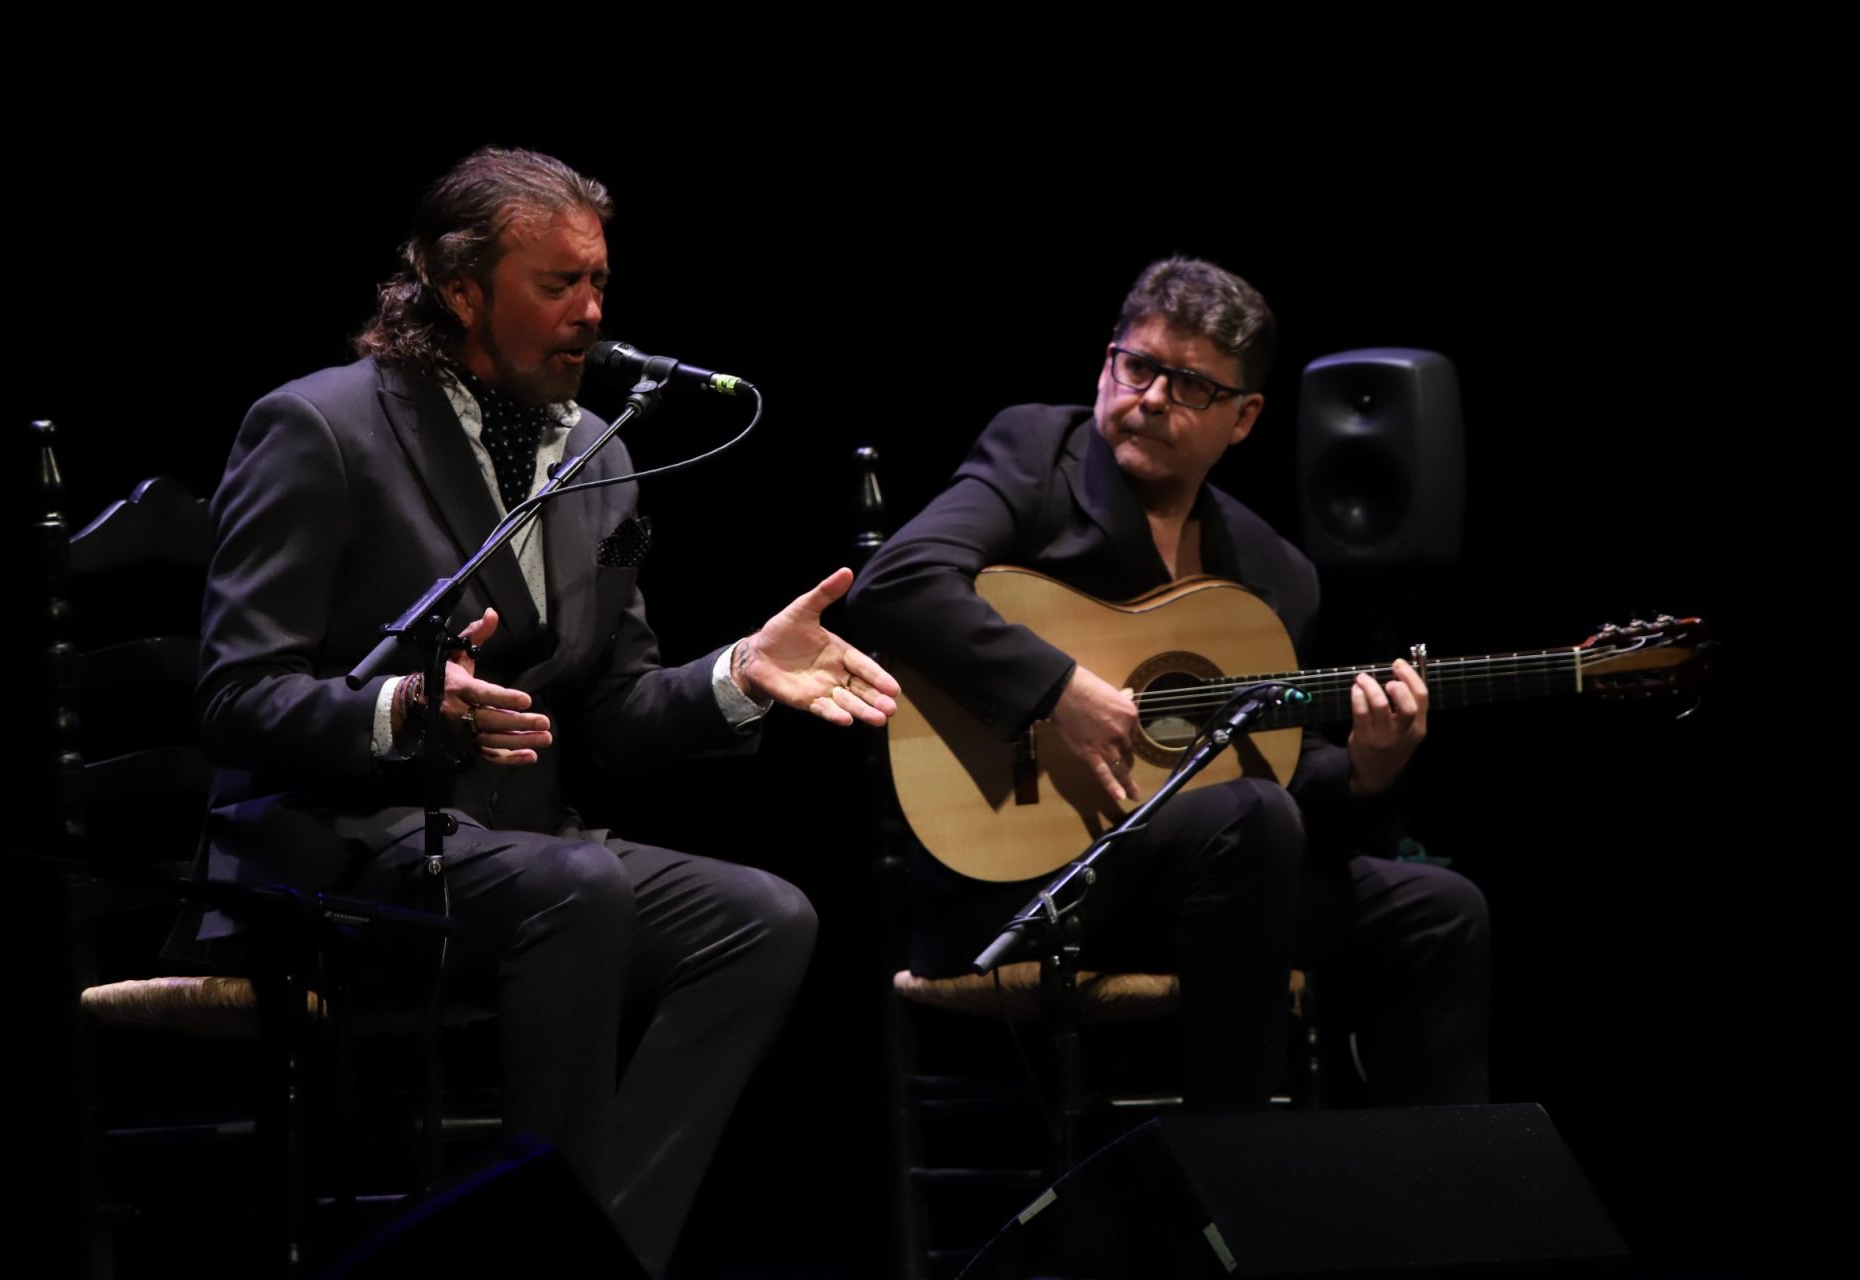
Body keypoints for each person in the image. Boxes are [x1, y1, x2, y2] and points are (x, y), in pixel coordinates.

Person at [188, 146, 898, 1276]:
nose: (593, 312)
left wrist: (740, 673)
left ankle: (594, 1252)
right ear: (461, 290)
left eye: (599, 282)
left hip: (519, 853)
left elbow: (610, 718)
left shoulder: (597, 457)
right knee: (577, 885)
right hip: (337, 854)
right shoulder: (320, 427)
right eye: (558, 285)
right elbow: (234, 696)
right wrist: (404, 709)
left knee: (763, 916)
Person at [849, 257, 1487, 1108]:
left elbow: (1281, 774)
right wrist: (1057, 689)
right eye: (1137, 365)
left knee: (1441, 906)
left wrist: (1368, 771)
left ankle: (1432, 1214)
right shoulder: (1040, 453)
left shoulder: (1276, 575)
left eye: (1189, 385)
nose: (1150, 397)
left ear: (1244, 417)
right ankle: (1235, 1185)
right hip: (1025, 886)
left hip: (1206, 892)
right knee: (1251, 822)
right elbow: (897, 582)